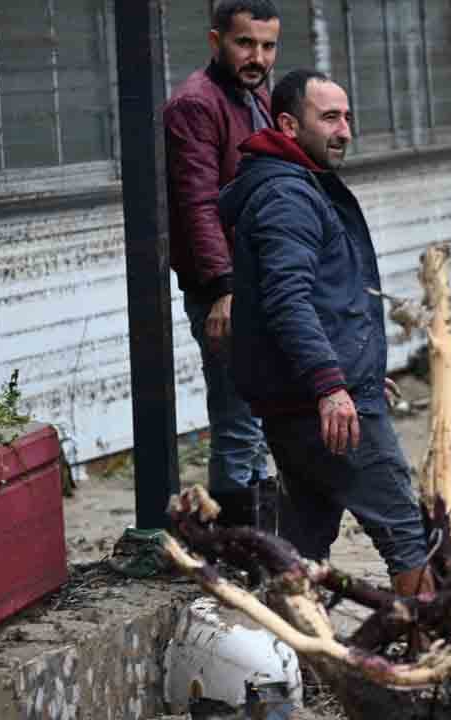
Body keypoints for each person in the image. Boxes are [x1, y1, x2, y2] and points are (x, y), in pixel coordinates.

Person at [218, 69, 432, 596]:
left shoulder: (294, 185)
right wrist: (333, 386)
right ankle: (432, 660)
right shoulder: (287, 197)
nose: (344, 131)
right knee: (406, 534)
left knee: (302, 548)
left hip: (305, 403)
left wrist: (354, 372)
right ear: (289, 124)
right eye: (330, 117)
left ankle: (292, 665)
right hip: (323, 408)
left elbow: (327, 300)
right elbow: (287, 301)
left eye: (348, 118)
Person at [163, 0, 280, 527]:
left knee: (261, 422)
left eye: (268, 45)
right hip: (227, 288)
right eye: (245, 43)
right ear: (216, 42)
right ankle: (236, 555)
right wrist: (223, 288)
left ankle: (264, 550)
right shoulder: (195, 104)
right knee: (238, 425)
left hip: (264, 281)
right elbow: (197, 203)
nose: (257, 56)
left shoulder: (258, 96)